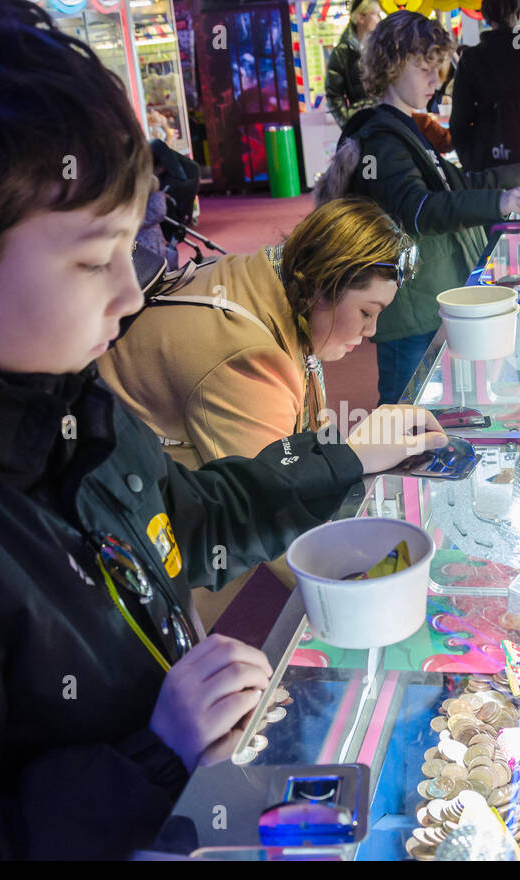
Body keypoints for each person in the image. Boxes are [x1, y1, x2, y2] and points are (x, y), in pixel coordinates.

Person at [0, 0, 445, 860]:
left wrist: (343, 458)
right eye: (89, 258)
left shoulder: (42, 387)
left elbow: (187, 518)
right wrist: (150, 760)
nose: (131, 292)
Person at [99, 196, 413, 630]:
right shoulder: (248, 358)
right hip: (150, 561)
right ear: (324, 284)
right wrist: (366, 596)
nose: (371, 331)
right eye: (366, 312)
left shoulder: (264, 275)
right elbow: (275, 506)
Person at [316, 10, 520, 406]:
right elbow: (420, 209)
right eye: (424, 68)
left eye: (437, 68)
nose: (435, 80)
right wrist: (501, 199)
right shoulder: (382, 139)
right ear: (391, 66)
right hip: (410, 309)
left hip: (428, 302)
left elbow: (457, 186)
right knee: (405, 407)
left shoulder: (404, 128)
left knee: (429, 406)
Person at [451, 0, 520, 173]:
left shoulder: (471, 59)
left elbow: (458, 124)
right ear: (519, 10)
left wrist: (474, 165)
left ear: (485, 15)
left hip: (490, 169)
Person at [325, 0, 381, 128]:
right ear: (361, 18)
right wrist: (348, 125)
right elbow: (333, 94)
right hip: (361, 126)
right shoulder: (342, 52)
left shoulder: (380, 48)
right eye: (375, 14)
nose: (379, 19)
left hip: (386, 122)